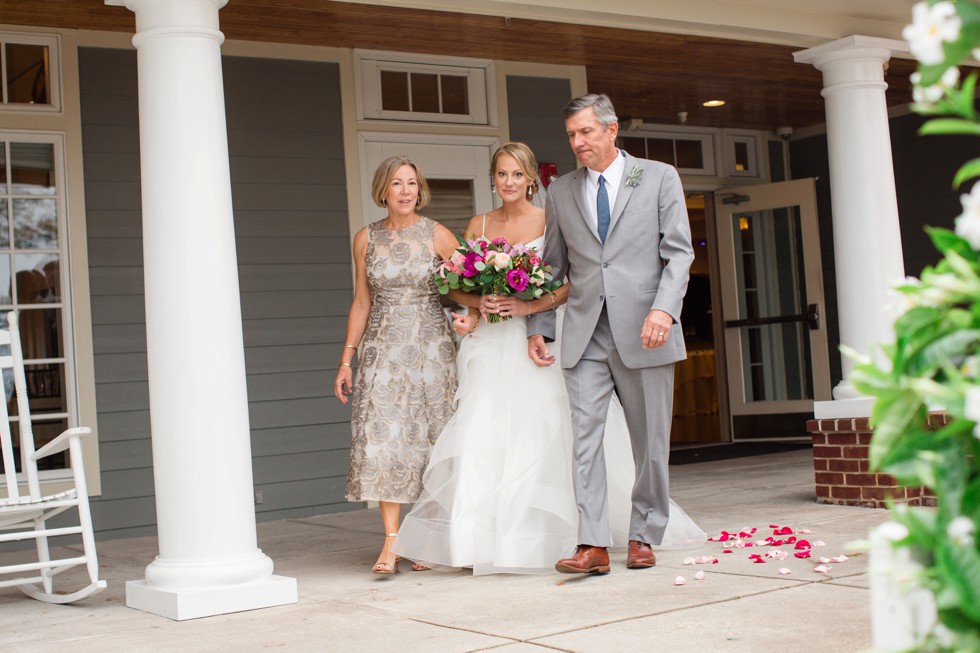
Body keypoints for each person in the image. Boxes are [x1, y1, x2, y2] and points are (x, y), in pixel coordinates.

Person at [393, 142, 703, 574]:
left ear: (532, 177)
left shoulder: (551, 214)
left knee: (551, 434)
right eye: (501, 174)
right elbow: (455, 286)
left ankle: (607, 534)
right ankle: (483, 541)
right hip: (493, 344)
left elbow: (566, 282)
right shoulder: (479, 222)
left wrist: (529, 311)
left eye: (517, 174)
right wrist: (481, 303)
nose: (509, 182)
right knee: (489, 433)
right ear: (493, 178)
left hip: (547, 336)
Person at [527, 94, 696, 574]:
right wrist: (539, 326)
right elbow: (552, 266)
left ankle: (643, 534)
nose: (578, 143)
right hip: (585, 334)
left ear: (611, 129)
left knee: (649, 442)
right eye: (572, 136)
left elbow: (679, 253)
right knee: (585, 440)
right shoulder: (559, 191)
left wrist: (664, 309)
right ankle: (593, 544)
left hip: (647, 331)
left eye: (585, 132)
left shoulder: (659, 177)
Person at [334, 155, 459, 575]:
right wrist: (346, 359)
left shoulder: (438, 235)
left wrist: (472, 315)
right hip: (382, 349)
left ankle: (426, 538)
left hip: (431, 348)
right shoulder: (365, 239)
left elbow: (470, 286)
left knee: (431, 437)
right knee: (386, 439)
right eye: (396, 183)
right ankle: (391, 542)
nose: (405, 191)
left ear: (419, 189)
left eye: (411, 183)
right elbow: (361, 301)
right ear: (383, 190)